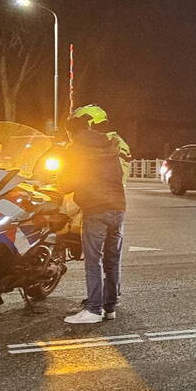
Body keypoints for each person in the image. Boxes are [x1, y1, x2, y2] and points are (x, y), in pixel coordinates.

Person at [60, 115, 127, 324]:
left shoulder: (75, 149)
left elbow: (69, 181)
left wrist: (59, 184)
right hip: (118, 207)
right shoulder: (109, 144)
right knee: (112, 259)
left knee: (93, 260)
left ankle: (93, 310)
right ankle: (110, 307)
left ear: (70, 132)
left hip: (95, 208)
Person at [71, 105, 132, 184]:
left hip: (97, 192)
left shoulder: (111, 143)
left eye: (78, 125)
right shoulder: (105, 141)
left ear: (89, 123)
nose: (76, 130)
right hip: (107, 192)